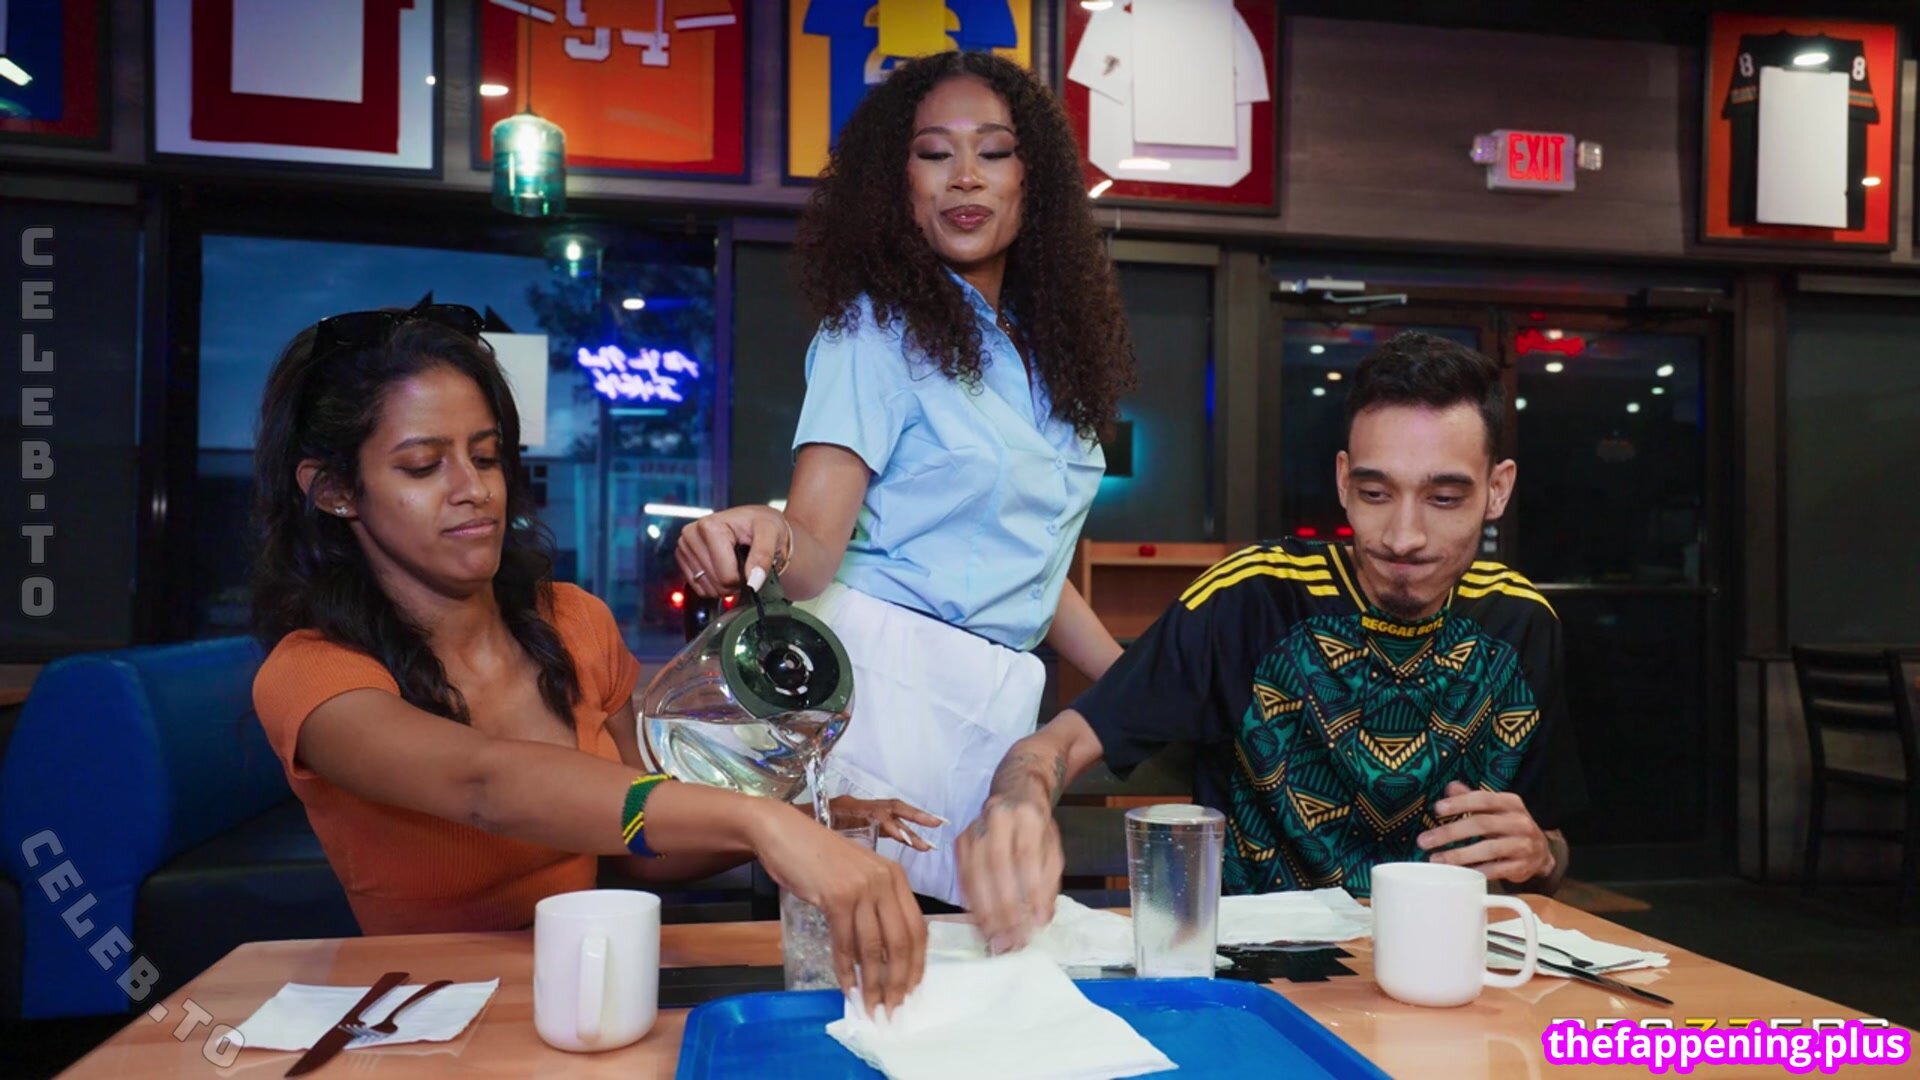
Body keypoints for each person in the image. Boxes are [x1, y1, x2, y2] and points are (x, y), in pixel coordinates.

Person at [249, 302, 923, 1009]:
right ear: (335, 492)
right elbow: (485, 785)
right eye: (422, 467)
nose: (474, 489)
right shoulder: (312, 676)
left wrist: (808, 820)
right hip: (429, 1013)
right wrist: (760, 822)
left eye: (486, 456)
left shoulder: (572, 622)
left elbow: (636, 834)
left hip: (586, 987)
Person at [677, 50, 1136, 907]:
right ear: (898, 185)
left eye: (993, 151)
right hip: (883, 691)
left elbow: (1024, 563)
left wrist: (1137, 678)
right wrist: (763, 532)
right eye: (934, 153)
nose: (965, 175)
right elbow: (812, 553)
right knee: (871, 961)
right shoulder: (872, 333)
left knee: (977, 961)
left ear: (1030, 180)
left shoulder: (1046, 352)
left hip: (996, 698)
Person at [955, 332, 1588, 951]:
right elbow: (1057, 744)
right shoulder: (1251, 599)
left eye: (1444, 498)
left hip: (1443, 963)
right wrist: (1019, 801)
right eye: (1374, 494)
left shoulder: (1520, 623)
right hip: (1258, 968)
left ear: (1497, 489)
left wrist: (1539, 854)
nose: (1403, 536)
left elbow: (1549, 854)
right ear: (1343, 480)